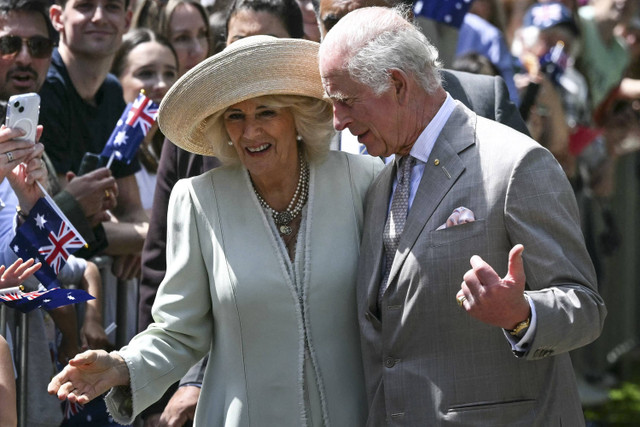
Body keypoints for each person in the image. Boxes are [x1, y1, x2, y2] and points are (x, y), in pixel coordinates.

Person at [49, 35, 383, 425]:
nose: (249, 132)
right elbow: (178, 332)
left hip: (356, 414)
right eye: (235, 116)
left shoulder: (361, 180)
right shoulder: (199, 200)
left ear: (298, 115)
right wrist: (121, 366)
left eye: (266, 112)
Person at [319, 6, 606, 424]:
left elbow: (586, 308)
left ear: (398, 84)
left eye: (345, 101)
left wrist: (521, 315)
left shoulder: (514, 163)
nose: (337, 121)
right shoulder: (380, 184)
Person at [111, 28, 179, 213]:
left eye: (170, 74)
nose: (162, 85)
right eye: (146, 73)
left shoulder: (175, 149)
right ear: (116, 80)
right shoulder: (110, 152)